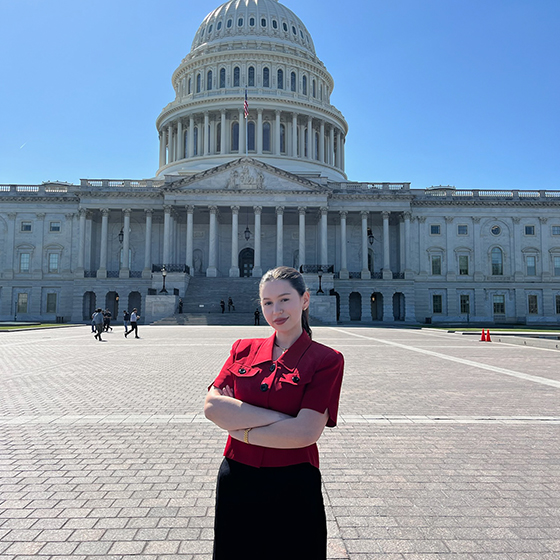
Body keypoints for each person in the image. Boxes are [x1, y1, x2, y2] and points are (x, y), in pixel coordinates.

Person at [204, 266, 344, 560]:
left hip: (293, 485)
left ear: (305, 299)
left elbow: (305, 434)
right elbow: (213, 407)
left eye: (284, 300)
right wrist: (283, 422)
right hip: (237, 480)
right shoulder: (242, 349)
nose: (275, 310)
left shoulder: (326, 359)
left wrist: (240, 427)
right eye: (267, 303)